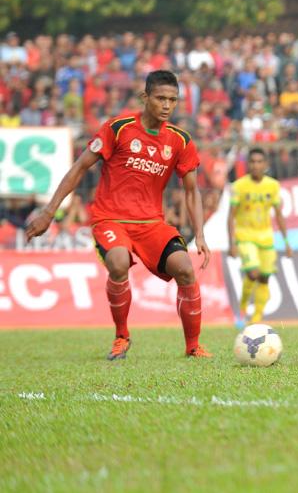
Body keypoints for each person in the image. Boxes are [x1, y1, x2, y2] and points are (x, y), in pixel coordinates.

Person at [25, 70, 212, 359]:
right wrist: (49, 212)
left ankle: (193, 347)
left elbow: (191, 191)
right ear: (145, 97)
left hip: (152, 224)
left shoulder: (180, 140)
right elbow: (78, 168)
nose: (166, 105)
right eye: (160, 98)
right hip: (110, 219)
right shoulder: (118, 128)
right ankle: (122, 336)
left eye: (172, 100)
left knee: (185, 268)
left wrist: (200, 234)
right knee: (118, 261)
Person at [228, 147, 292, 327]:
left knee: (264, 277)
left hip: (266, 238)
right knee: (253, 273)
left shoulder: (273, 185)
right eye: (252, 162)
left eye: (259, 162)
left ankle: (256, 318)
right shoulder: (239, 186)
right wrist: (232, 242)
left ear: (265, 164)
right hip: (245, 236)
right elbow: (230, 216)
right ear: (248, 164)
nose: (256, 165)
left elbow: (278, 214)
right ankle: (242, 308)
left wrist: (286, 242)